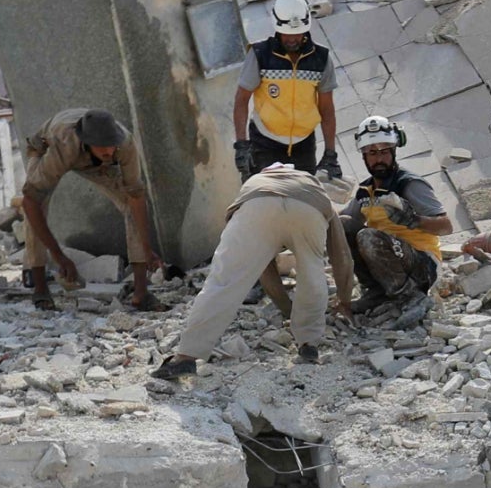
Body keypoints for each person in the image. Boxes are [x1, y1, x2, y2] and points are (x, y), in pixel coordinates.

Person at [151, 162, 355, 382]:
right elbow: (342, 259)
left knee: (224, 281)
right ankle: (309, 346)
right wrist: (344, 300)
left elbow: (263, 271)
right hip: (308, 207)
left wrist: (286, 309)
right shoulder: (314, 188)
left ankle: (185, 357)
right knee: (312, 273)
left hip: (256, 205)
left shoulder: (256, 183)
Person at [19, 107, 163, 312]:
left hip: (94, 163)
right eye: (102, 147)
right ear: (87, 143)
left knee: (130, 202)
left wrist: (147, 249)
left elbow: (136, 196)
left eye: (111, 146)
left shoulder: (124, 144)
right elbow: (29, 201)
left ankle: (142, 293)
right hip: (47, 147)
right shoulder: (64, 143)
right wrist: (59, 256)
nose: (109, 151)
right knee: (36, 204)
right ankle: (40, 287)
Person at [341, 115, 451, 315]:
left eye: (384, 151)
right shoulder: (366, 191)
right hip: (389, 264)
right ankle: (376, 291)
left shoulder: (409, 184)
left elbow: (446, 226)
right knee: (344, 226)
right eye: (372, 153)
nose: (379, 159)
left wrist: (414, 221)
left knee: (368, 236)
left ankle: (410, 296)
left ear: (393, 151)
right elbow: (346, 225)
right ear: (364, 156)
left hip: (422, 265)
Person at [234, 0, 339, 178]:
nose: (292, 39)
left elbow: (327, 109)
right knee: (263, 199)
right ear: (277, 28)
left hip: (303, 145)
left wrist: (330, 153)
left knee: (304, 201)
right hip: (265, 143)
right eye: (287, 34)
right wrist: (242, 144)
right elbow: (241, 100)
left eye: (297, 34)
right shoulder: (260, 55)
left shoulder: (321, 59)